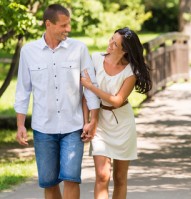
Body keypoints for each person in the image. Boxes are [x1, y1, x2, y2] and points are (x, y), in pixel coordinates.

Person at [14, 4, 100, 199]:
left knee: (71, 178)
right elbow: (22, 91)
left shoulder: (79, 49)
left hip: (73, 126)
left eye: (68, 24)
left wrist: (92, 120)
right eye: (63, 25)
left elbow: (90, 86)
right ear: (48, 24)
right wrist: (20, 124)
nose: (68, 29)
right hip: (43, 128)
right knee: (49, 182)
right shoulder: (29, 52)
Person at [80, 27, 152, 199]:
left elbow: (117, 100)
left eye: (115, 43)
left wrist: (91, 86)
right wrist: (87, 121)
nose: (110, 44)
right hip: (100, 122)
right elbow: (86, 96)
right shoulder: (96, 59)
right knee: (102, 175)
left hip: (122, 123)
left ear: (125, 50)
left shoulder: (131, 71)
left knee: (119, 178)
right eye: (111, 39)